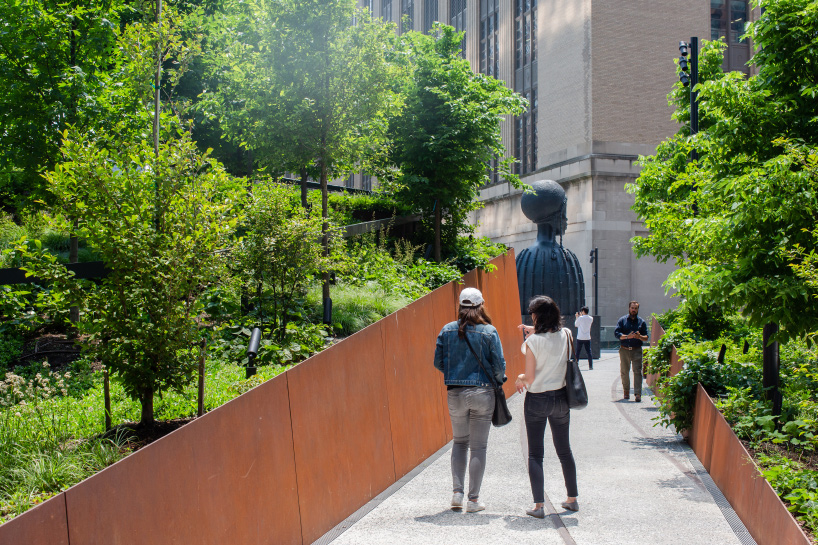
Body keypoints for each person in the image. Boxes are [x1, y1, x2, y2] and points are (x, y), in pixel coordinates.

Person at [434, 287, 506, 513]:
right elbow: (499, 365)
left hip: (455, 392)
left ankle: (457, 494)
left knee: (459, 442)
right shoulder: (489, 331)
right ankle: (473, 501)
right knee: (478, 447)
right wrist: (497, 379)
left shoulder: (446, 330)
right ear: (480, 305)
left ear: (460, 305)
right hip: (482, 393)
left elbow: (438, 363)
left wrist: (455, 373)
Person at [515, 296, 579, 518]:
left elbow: (530, 377)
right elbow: (555, 334)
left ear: (536, 315)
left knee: (535, 454)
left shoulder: (532, 342)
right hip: (561, 398)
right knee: (564, 450)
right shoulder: (567, 334)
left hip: (537, 400)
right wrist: (534, 329)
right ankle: (572, 499)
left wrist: (519, 378)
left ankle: (538, 506)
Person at [614, 301, 648, 402]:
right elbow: (616, 333)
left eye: (636, 308)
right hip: (624, 349)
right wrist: (626, 336)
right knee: (624, 372)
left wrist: (639, 336)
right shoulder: (622, 320)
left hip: (637, 350)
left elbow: (646, 337)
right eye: (632, 308)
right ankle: (626, 392)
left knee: (637, 371)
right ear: (629, 308)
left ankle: (638, 394)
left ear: (638, 309)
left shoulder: (641, 322)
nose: (634, 310)